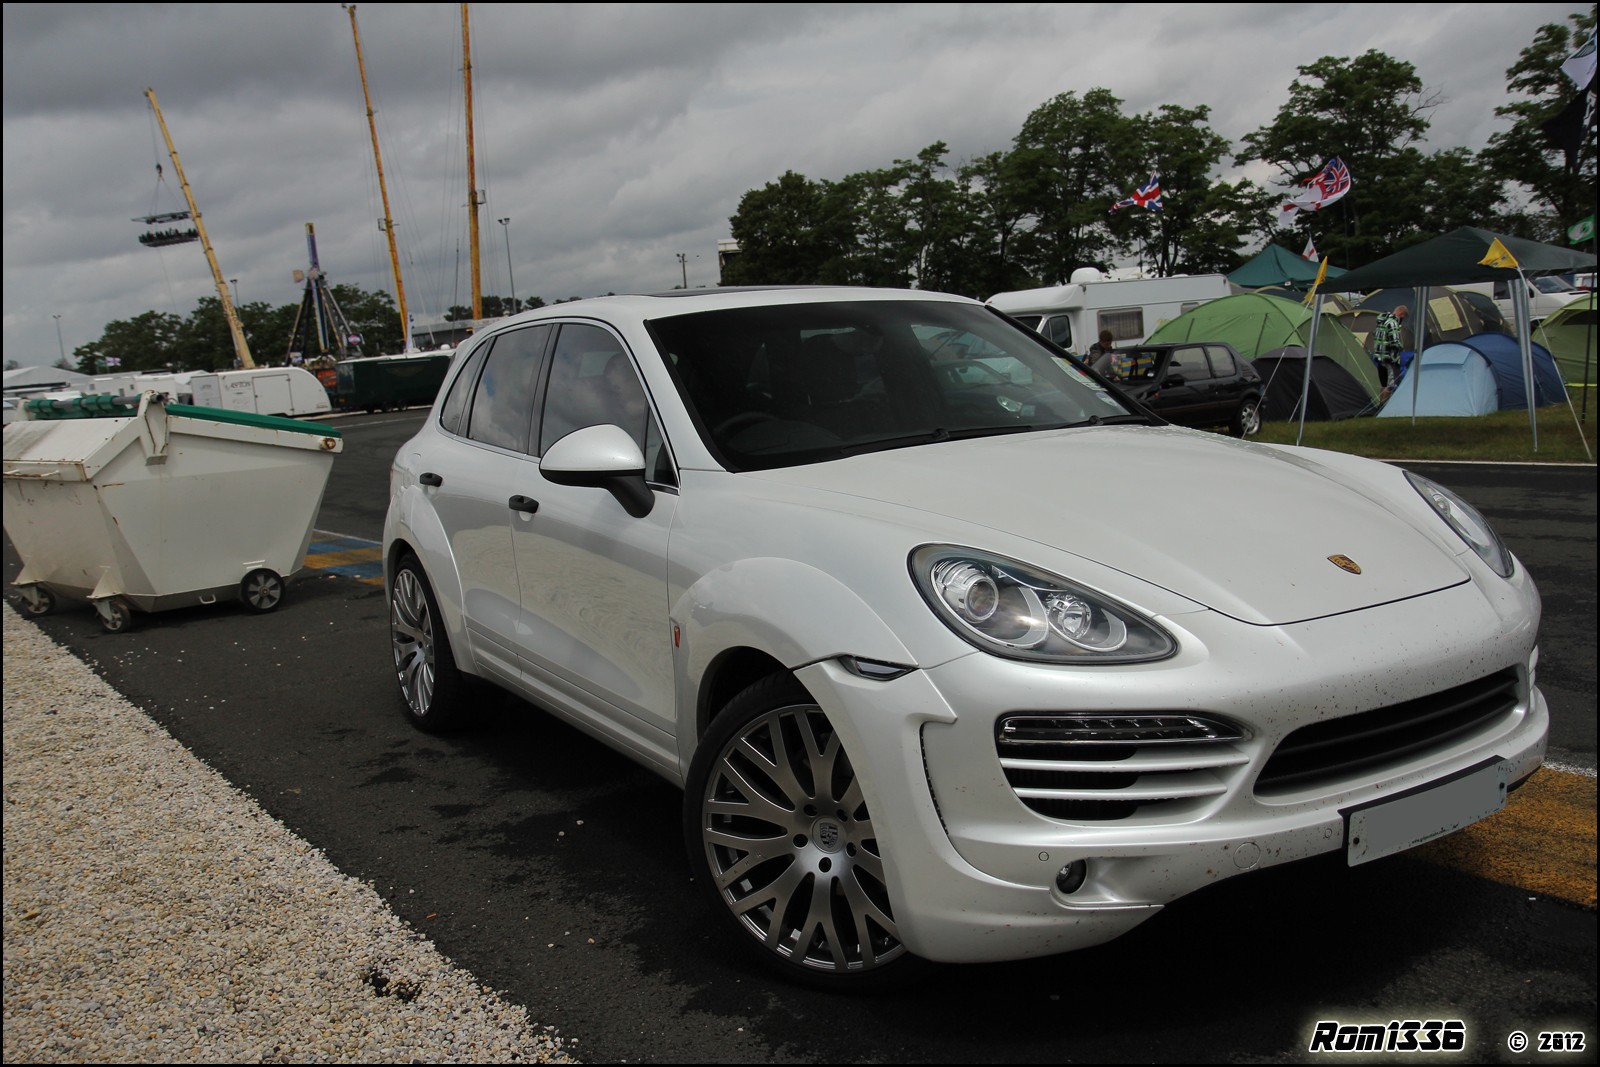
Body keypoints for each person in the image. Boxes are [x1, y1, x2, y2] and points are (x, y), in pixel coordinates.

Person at [1373, 305, 1408, 394]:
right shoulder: (1392, 323)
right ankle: (1388, 405)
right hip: (1389, 359)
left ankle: (1381, 405)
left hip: (1379, 359)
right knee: (1391, 386)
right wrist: (1401, 347)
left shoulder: (1381, 321)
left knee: (1383, 385)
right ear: (1402, 315)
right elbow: (1395, 343)